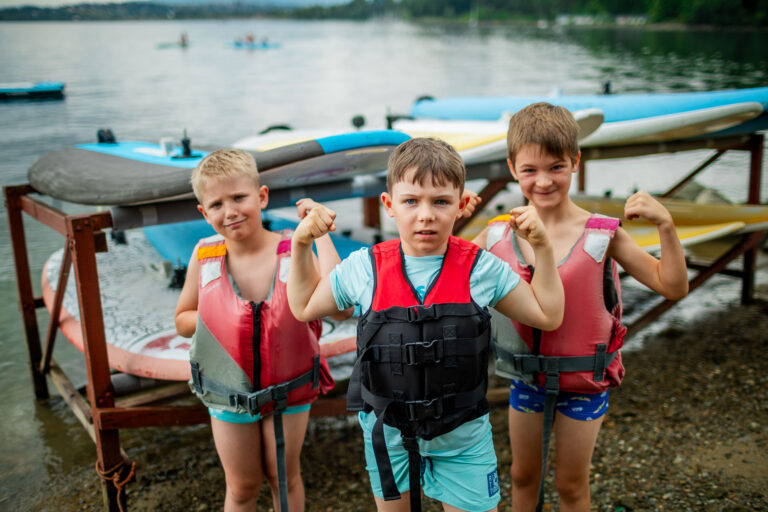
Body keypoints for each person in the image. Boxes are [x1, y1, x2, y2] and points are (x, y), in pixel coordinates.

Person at [286, 137, 565, 512]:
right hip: (389, 435)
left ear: (462, 205)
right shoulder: (364, 268)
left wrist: (543, 248)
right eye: (411, 201)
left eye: (441, 202)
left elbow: (548, 314)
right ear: (389, 205)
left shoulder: (480, 268)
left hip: (464, 438)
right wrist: (302, 244)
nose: (426, 215)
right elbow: (303, 306)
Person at [471, 102, 689, 512]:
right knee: (522, 476)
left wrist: (666, 226)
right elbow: (443, 271)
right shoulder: (497, 232)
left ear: (575, 162)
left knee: (571, 486)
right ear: (512, 167)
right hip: (526, 381)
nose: (544, 181)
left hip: (583, 386)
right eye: (530, 170)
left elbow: (672, 286)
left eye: (556, 167)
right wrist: (451, 212)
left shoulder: (603, 235)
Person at [174, 149, 343, 512]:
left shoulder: (292, 248)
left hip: (290, 389)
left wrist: (321, 231)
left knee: (284, 476)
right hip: (227, 393)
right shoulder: (204, 256)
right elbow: (183, 318)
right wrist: (214, 317)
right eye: (217, 204)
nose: (230, 211)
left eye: (239, 197)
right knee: (241, 485)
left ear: (262, 196)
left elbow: (336, 302)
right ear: (204, 213)